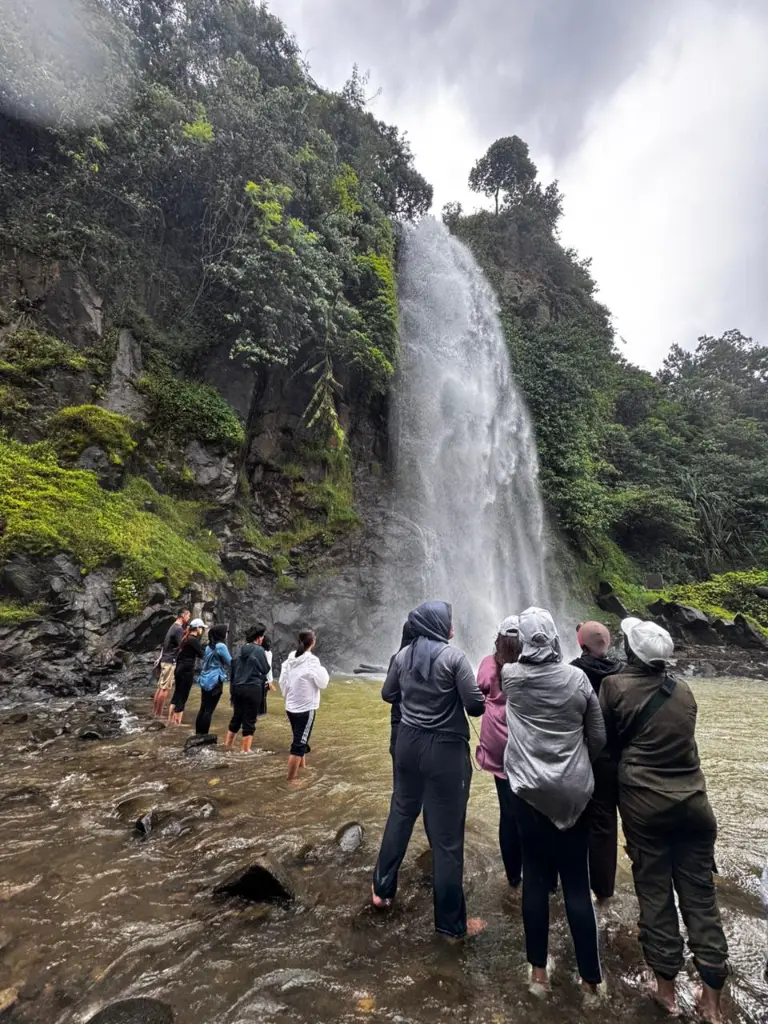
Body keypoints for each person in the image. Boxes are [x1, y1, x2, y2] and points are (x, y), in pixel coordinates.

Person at [600, 618, 728, 1022]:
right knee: (701, 898)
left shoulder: (614, 687)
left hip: (645, 807)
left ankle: (666, 993)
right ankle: (711, 1002)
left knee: (655, 894)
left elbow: (603, 742)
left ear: (631, 652)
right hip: (695, 806)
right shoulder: (684, 689)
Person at [502, 607, 606, 997]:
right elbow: (598, 737)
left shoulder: (511, 677)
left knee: (534, 878)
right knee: (576, 882)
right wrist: (578, 766)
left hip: (528, 793)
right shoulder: (577, 679)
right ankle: (590, 982)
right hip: (573, 794)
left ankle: (538, 976)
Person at [372, 601, 487, 940]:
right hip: (444, 750)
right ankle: (450, 923)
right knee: (447, 839)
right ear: (438, 625)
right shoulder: (454, 658)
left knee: (400, 813)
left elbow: (388, 694)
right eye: (449, 621)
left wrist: (415, 698)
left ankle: (381, 890)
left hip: (408, 744)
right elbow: (475, 706)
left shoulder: (402, 656)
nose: (452, 627)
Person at [571, 620, 622, 901]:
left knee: (576, 817)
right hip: (615, 756)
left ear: (581, 644)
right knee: (607, 820)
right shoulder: (622, 673)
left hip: (581, 753)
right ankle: (604, 890)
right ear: (609, 643)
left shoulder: (573, 672)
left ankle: (576, 881)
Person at [475, 616, 523, 889]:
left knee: (507, 809)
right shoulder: (532, 665)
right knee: (534, 808)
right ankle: (543, 873)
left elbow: (479, 691)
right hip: (526, 743)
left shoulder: (488, 664)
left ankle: (513, 875)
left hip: (498, 745)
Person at [278, 628, 329, 784]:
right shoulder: (312, 660)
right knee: (299, 744)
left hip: (291, 706)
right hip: (306, 708)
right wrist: (323, 671)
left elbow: (282, 681)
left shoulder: (291, 658)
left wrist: (288, 698)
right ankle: (292, 779)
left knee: (299, 737)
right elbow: (322, 683)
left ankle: (302, 767)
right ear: (313, 642)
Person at [225, 623, 273, 753]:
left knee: (237, 718)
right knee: (249, 720)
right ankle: (245, 751)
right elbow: (265, 669)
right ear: (259, 637)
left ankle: (227, 746)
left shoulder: (242, 649)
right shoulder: (259, 650)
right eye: (262, 636)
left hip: (238, 688)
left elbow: (234, 666)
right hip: (252, 688)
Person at [388, 622, 414, 780]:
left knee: (399, 781)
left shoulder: (395, 658)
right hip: (419, 727)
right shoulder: (427, 660)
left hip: (398, 723)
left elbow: (388, 694)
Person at [153, 608, 190, 717]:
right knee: (165, 689)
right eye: (188, 615)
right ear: (183, 615)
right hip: (170, 661)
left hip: (165, 659)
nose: (189, 618)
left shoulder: (173, 627)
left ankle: (155, 713)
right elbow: (181, 646)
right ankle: (158, 715)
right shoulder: (178, 629)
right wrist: (187, 635)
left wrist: (185, 633)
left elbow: (173, 643)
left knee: (160, 687)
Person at [168, 618, 206, 725]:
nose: (202, 630)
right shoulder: (193, 640)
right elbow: (202, 655)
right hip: (186, 671)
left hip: (179, 669)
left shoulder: (185, 638)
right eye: (202, 628)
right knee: (183, 697)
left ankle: (169, 721)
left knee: (176, 695)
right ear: (197, 628)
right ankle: (177, 724)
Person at [195, 623, 231, 736]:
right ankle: (204, 736)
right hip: (215, 680)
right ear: (221, 634)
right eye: (226, 632)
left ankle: (198, 734)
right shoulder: (221, 646)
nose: (227, 634)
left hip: (205, 679)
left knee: (203, 708)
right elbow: (230, 662)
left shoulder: (208, 646)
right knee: (209, 710)